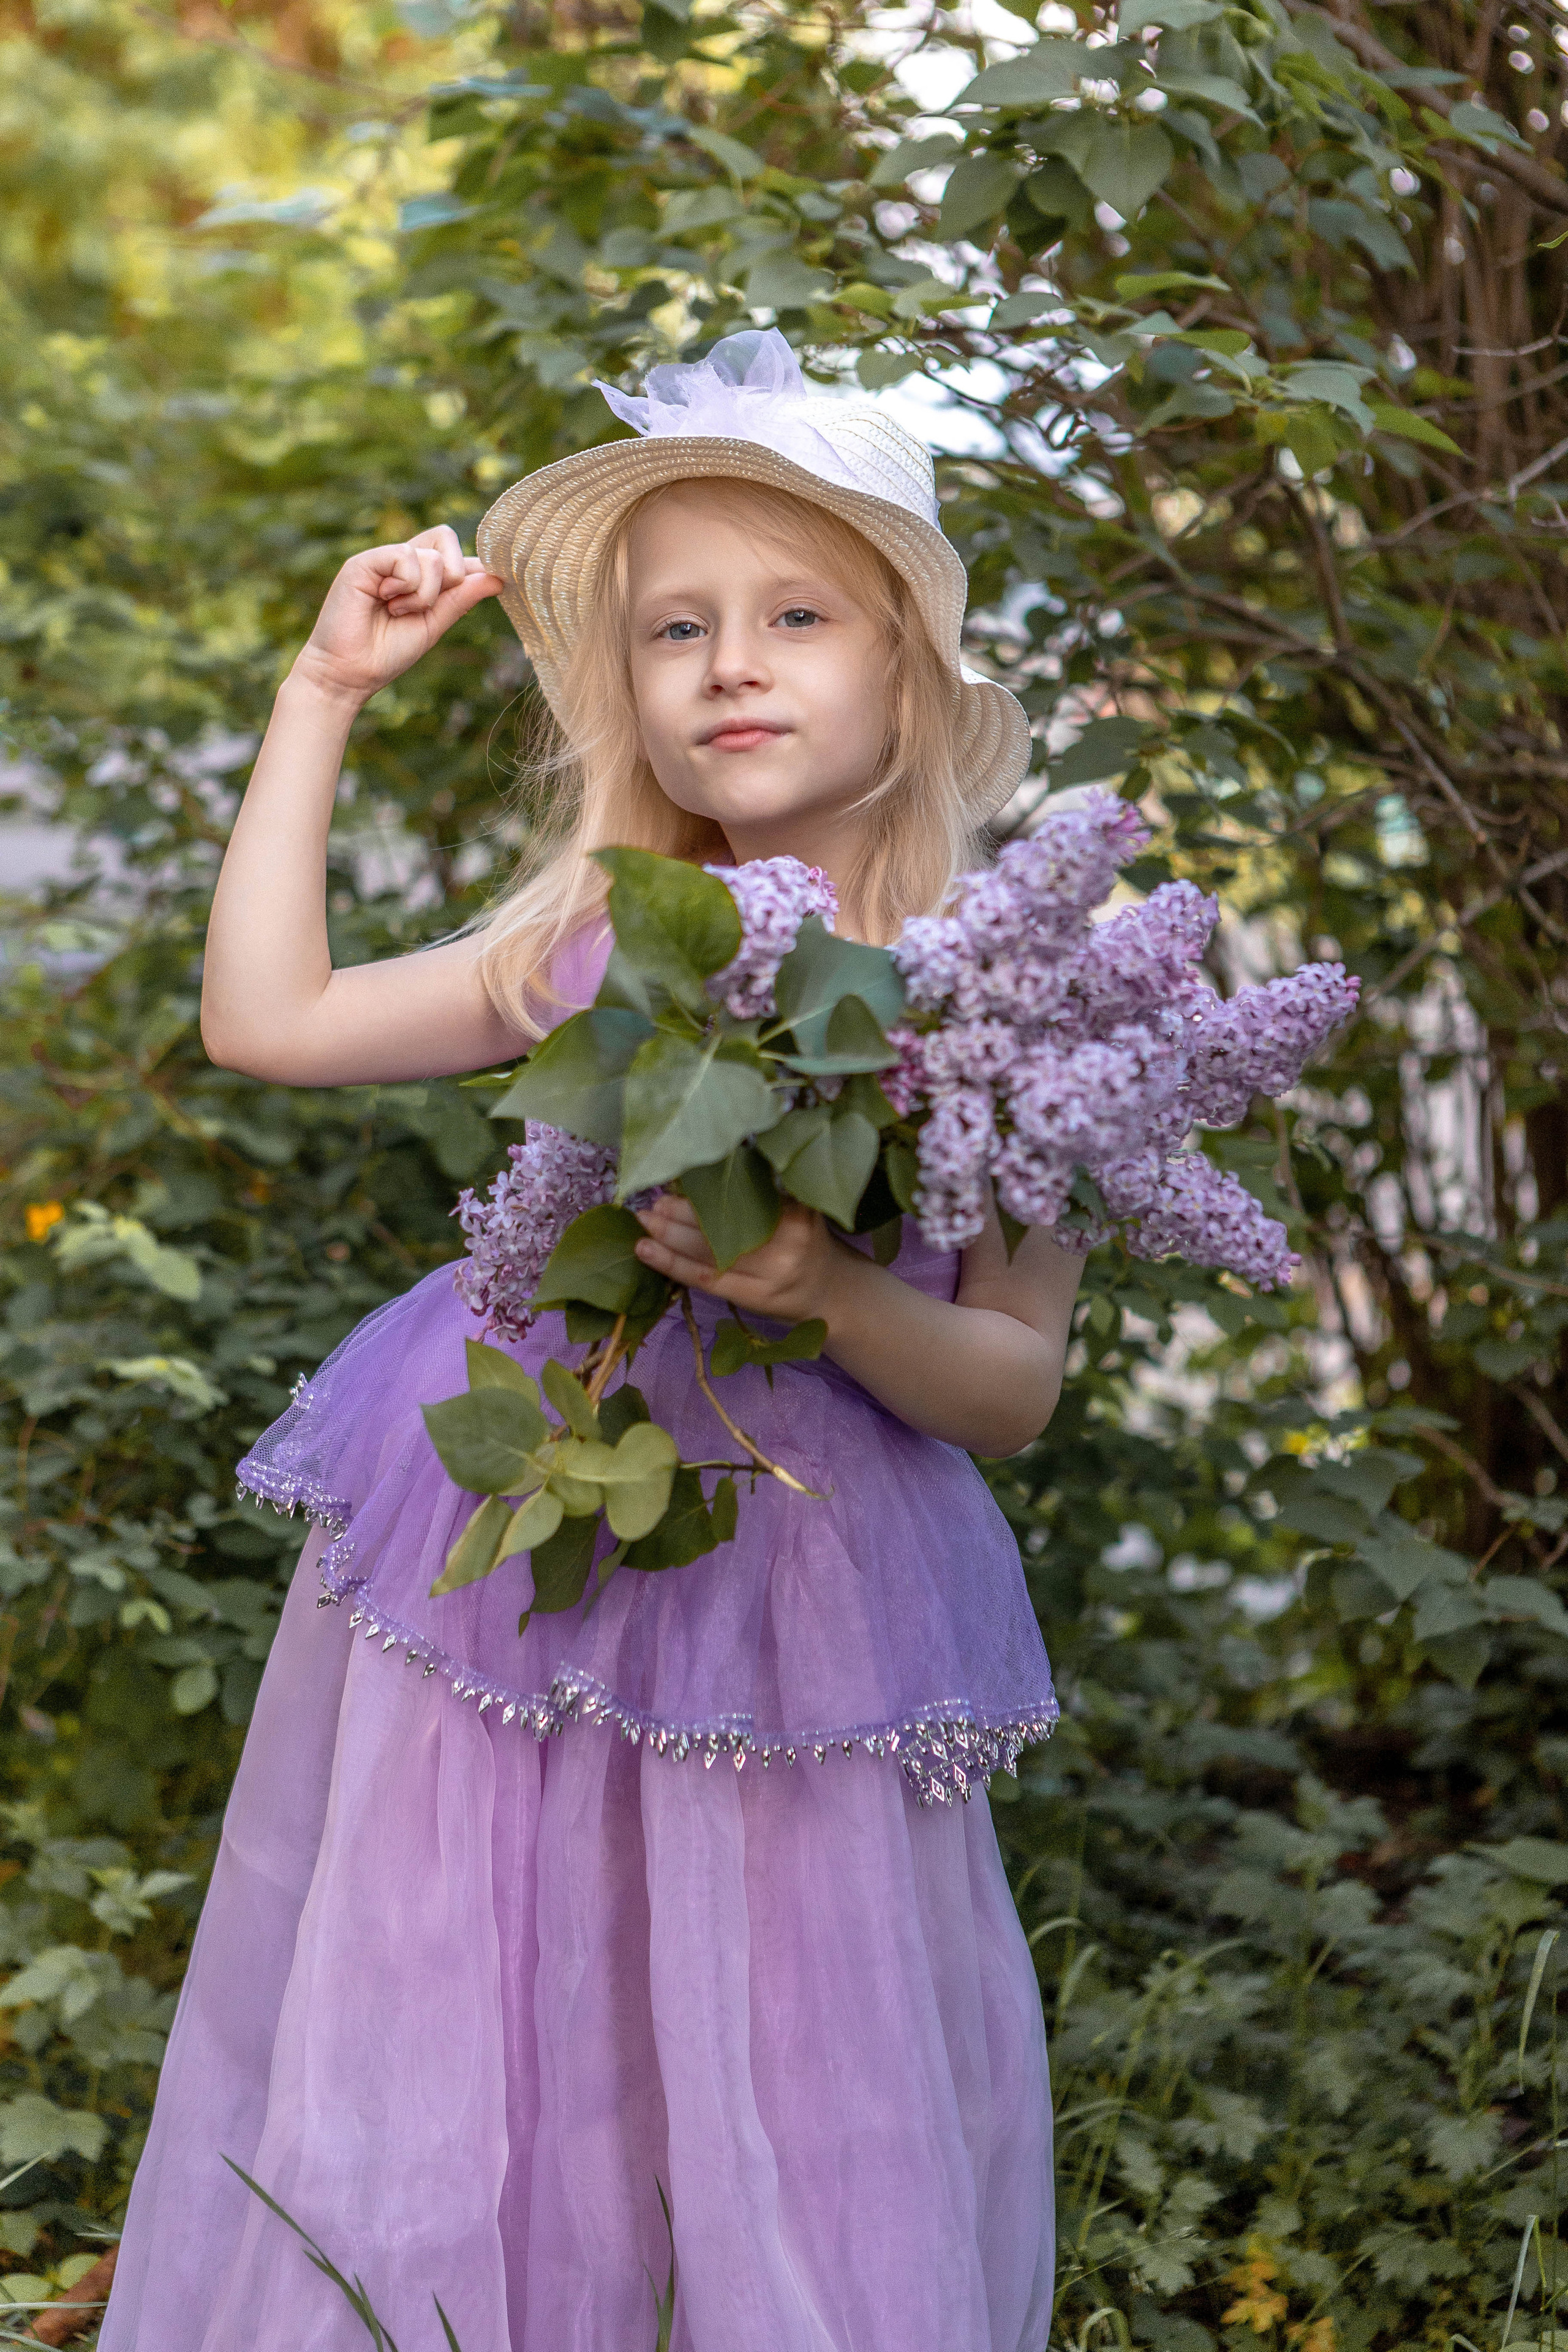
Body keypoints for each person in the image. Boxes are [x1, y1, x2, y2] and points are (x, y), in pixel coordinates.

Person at [100, 330, 1083, 2352]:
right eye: (675, 629)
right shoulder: (601, 935)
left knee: (784, 2023)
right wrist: (323, 696)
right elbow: (267, 1023)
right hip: (528, 1540)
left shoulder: (1009, 1013)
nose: (731, 662)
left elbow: (1011, 1386)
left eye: (797, 615)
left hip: (803, 1571)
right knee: (482, 1982)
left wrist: (832, 1293)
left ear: (907, 672)